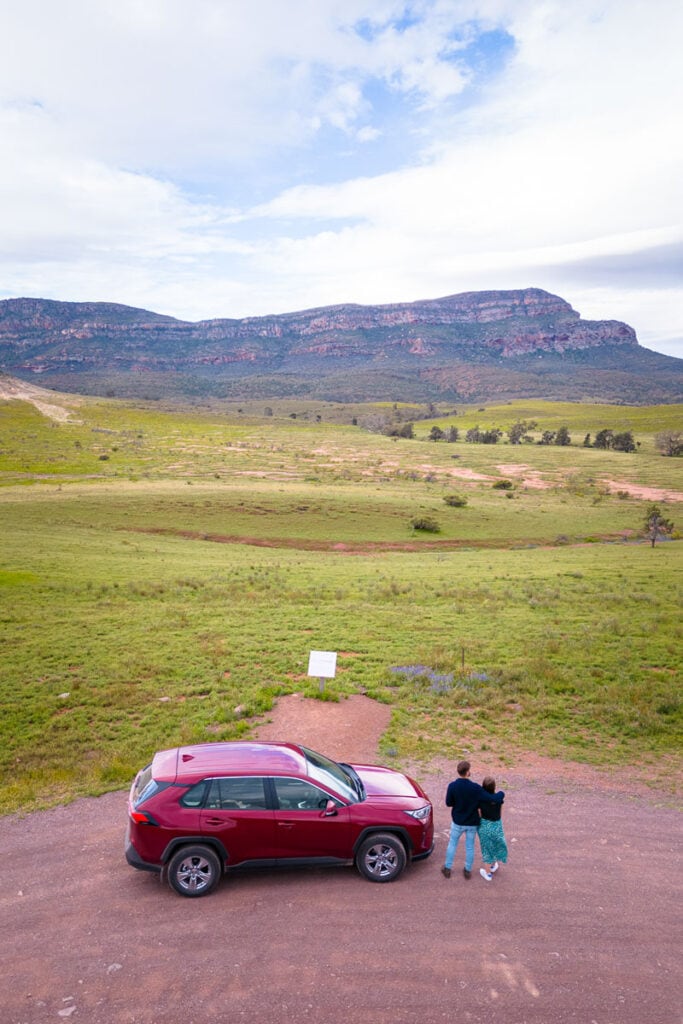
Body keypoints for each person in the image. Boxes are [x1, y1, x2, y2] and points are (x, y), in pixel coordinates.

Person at [442, 760, 503, 879]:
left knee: (452, 844)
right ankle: (467, 870)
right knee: (469, 846)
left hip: (457, 821)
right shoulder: (475, 788)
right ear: (467, 772)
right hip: (472, 822)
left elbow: (449, 803)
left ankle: (447, 868)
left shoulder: (452, 786)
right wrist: (501, 794)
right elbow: (490, 797)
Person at [478, 775, 508, 882]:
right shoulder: (499, 798)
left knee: (486, 849)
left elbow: (480, 813)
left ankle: (488, 874)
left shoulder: (481, 799)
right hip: (497, 824)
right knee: (495, 845)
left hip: (485, 825)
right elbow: (501, 797)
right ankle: (493, 865)